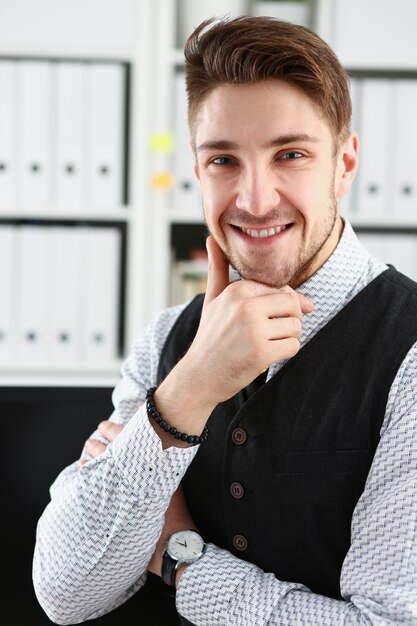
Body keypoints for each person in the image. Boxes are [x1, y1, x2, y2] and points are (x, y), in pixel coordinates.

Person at [33, 15, 417, 626]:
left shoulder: (410, 353)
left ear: (344, 164)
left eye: (290, 154)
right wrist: (187, 392)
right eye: (223, 161)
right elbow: (66, 593)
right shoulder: (166, 339)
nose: (255, 200)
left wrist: (180, 560)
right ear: (196, 169)